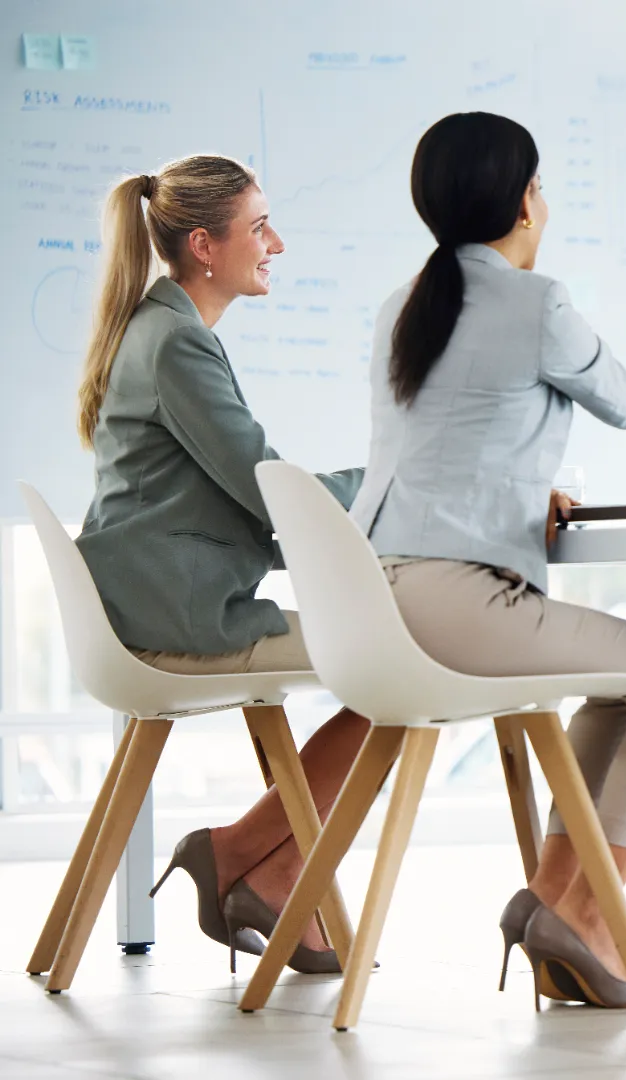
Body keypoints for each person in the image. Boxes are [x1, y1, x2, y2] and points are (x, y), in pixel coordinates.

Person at [351, 112, 626, 1009]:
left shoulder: (402, 306)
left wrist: (524, 497)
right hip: (461, 607)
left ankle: (557, 903)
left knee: (618, 686)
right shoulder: (536, 300)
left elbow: (450, 444)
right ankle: (589, 918)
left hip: (376, 599)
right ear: (522, 201)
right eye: (540, 186)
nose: (542, 203)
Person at [74, 154, 369, 972]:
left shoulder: (164, 329)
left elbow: (252, 489)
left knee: (392, 662)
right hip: (177, 615)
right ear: (204, 245)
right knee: (397, 670)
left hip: (158, 599)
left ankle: (260, 867)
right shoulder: (175, 343)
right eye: (259, 226)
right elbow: (267, 488)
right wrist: (393, 481)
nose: (277, 241)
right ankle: (249, 858)